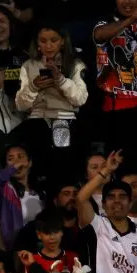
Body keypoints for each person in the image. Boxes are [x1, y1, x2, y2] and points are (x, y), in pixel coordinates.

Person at [14, 24, 89, 180]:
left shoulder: (75, 64)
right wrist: (34, 86)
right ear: (37, 43)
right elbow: (21, 105)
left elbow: (80, 99)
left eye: (53, 40)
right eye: (43, 41)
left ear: (62, 41)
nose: (48, 46)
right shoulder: (28, 65)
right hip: (36, 120)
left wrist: (60, 80)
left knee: (64, 169)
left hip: (66, 118)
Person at [93, 0, 137, 170]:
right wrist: (130, 20)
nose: (127, 0)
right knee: (119, 168)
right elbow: (100, 35)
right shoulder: (105, 21)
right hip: (116, 108)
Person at [0, 143, 43, 248]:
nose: (17, 162)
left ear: (30, 162)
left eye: (21, 157)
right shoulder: (5, 191)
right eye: (11, 159)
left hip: (40, 248)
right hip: (14, 249)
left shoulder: (41, 193)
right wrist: (11, 169)